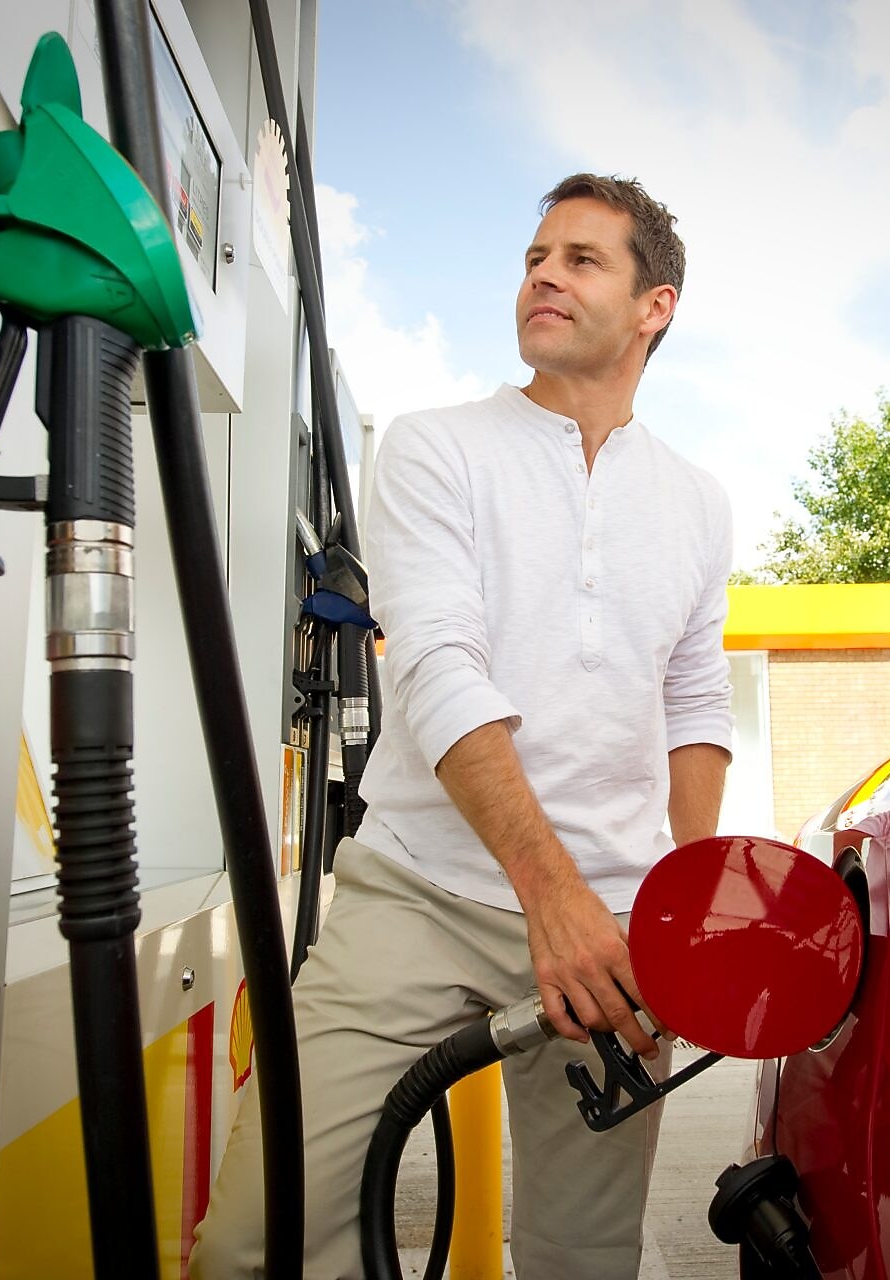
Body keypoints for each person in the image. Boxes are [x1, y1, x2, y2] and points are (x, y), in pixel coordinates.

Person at [191, 173, 734, 1280]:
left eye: (581, 259)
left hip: (614, 917)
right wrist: (550, 896)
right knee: (257, 1243)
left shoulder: (695, 500)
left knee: (583, 1258)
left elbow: (694, 702)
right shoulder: (435, 448)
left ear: (654, 306)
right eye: (535, 257)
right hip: (421, 891)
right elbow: (438, 669)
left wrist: (686, 905)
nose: (542, 275)